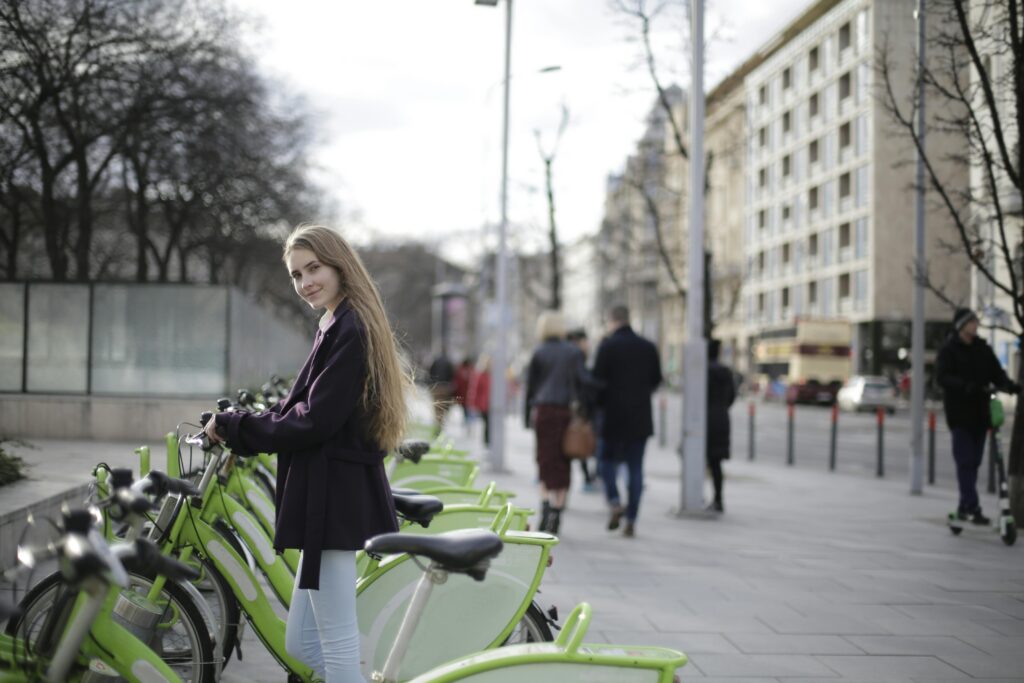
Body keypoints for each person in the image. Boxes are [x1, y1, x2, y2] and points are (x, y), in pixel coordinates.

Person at [205, 224, 407, 683]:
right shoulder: (336, 322)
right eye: (297, 275)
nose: (305, 282)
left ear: (339, 264)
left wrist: (239, 427)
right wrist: (241, 421)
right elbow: (300, 404)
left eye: (313, 268)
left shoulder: (351, 327)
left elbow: (314, 419)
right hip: (327, 497)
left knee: (335, 642)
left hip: (333, 502)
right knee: (302, 643)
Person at [936, 307, 1020, 525]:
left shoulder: (982, 348)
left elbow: (996, 372)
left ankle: (964, 506)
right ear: (962, 326)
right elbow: (942, 377)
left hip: (981, 414)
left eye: (975, 322)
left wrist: (1010, 386)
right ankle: (972, 506)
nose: (975, 325)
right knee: (965, 461)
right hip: (959, 415)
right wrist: (965, 386)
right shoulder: (949, 350)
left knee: (974, 462)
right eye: (971, 322)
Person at [592, 304, 662, 538]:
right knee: (635, 467)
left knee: (606, 461)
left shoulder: (607, 346)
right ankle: (632, 518)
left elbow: (596, 382)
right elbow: (656, 380)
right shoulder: (648, 347)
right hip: (640, 417)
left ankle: (614, 501)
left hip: (612, 416)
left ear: (612, 320)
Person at [524, 310, 587, 534]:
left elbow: (530, 388)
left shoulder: (538, 352)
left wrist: (526, 417)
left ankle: (546, 508)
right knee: (563, 461)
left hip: (543, 412)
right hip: (564, 413)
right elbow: (583, 383)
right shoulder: (573, 352)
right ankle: (557, 512)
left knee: (544, 460)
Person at [566, 328, 599, 493]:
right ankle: (587, 478)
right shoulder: (577, 355)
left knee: (570, 442)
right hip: (578, 406)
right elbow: (584, 379)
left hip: (566, 404)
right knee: (579, 441)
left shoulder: (565, 352)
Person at [706, 339, 736, 513]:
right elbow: (731, 397)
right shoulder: (726, 372)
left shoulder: (703, 371)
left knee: (701, 457)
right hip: (722, 418)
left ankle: (700, 495)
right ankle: (718, 498)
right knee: (716, 462)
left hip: (705, 420)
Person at [467, 354, 492, 451]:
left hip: (491, 404)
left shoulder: (494, 376)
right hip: (484, 404)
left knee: (490, 424)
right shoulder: (481, 375)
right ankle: (487, 443)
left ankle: (489, 442)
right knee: (487, 423)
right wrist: (473, 403)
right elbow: (476, 390)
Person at [428, 352, 455, 436]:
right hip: (445, 388)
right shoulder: (449, 362)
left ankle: (438, 426)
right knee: (443, 408)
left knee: (437, 408)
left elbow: (430, 373)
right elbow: (452, 375)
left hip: (436, 387)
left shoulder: (435, 361)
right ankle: (440, 426)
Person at [453, 357, 475, 432]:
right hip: (469, 396)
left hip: (462, 395)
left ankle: (467, 423)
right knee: (468, 410)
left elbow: (457, 384)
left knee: (465, 410)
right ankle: (469, 424)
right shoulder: (471, 371)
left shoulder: (460, 371)